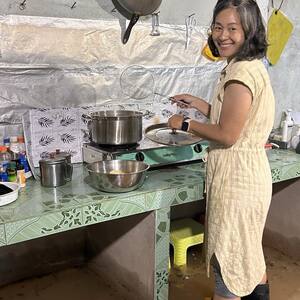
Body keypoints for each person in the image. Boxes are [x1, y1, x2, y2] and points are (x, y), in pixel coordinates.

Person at [168, 1, 274, 299]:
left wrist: (185, 124)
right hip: (249, 175)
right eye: (218, 27)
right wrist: (200, 105)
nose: (222, 35)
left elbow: (227, 135)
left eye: (232, 28)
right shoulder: (247, 67)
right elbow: (235, 119)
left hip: (237, 182)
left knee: (228, 264)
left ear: (249, 31)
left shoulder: (240, 74)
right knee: (248, 258)